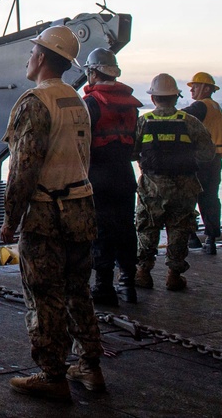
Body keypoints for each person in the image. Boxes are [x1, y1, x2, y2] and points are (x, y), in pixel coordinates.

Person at [0, 25, 105, 401]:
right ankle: (90, 366)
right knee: (79, 292)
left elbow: (23, 168)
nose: (28, 59)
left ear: (42, 58)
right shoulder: (77, 101)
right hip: (81, 208)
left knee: (44, 295)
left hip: (46, 213)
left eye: (32, 53)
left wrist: (11, 218)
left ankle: (52, 374)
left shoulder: (35, 102)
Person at [133, 74, 215, 292]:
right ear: (176, 97)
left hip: (152, 187)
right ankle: (174, 276)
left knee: (147, 228)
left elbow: (132, 152)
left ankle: (143, 273)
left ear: (153, 98)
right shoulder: (190, 122)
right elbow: (208, 153)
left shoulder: (143, 121)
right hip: (184, 187)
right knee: (179, 230)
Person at [81, 48, 142, 306]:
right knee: (127, 229)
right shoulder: (131, 105)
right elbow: (134, 145)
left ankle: (103, 286)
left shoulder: (90, 104)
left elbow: (81, 144)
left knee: (101, 231)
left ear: (93, 72)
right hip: (125, 176)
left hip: (98, 175)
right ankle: (129, 284)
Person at [182, 72, 222, 255]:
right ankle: (211, 239)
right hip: (215, 160)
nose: (192, 89)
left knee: (188, 197)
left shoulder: (200, 106)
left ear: (207, 88)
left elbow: (180, 117)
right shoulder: (216, 107)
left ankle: (191, 237)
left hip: (200, 159)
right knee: (210, 198)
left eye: (195, 86)